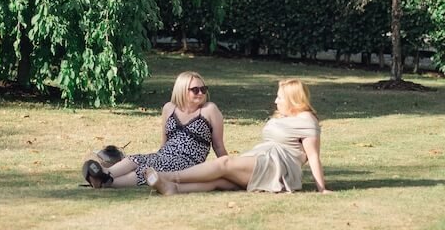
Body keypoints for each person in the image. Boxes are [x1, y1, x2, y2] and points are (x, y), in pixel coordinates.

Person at [145, 78, 331, 195]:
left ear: (293, 100)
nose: (275, 101)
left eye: (280, 98)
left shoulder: (307, 120)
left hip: (277, 166)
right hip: (263, 158)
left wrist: (321, 188)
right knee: (220, 180)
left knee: (224, 163)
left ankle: (168, 177)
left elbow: (313, 157)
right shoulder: (285, 116)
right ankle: (173, 189)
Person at [82, 70, 227, 189]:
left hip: (188, 162)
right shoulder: (169, 108)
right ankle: (104, 173)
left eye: (203, 89)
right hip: (164, 155)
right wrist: (155, 157)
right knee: (136, 159)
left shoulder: (209, 110)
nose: (201, 93)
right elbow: (164, 143)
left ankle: (107, 182)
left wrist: (229, 169)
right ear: (182, 90)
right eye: (195, 90)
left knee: (148, 168)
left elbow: (218, 146)